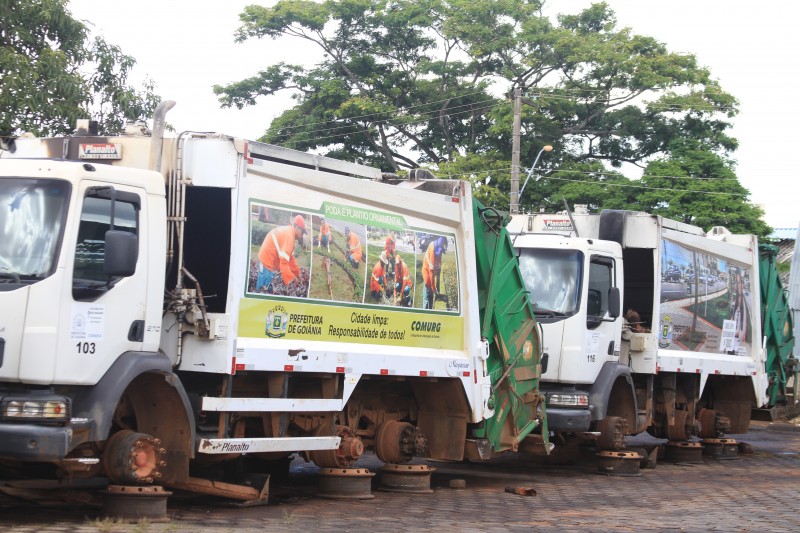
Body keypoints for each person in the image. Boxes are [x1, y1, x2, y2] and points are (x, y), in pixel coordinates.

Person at [256, 214, 306, 292]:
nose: (302, 235)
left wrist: (297, 273)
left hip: (268, 258)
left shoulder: (290, 233)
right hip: (266, 260)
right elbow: (284, 264)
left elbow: (290, 259)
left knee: (267, 286)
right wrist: (292, 280)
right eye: (302, 232)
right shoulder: (289, 236)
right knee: (263, 289)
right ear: (297, 228)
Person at [422, 236, 447, 309]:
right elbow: (431, 273)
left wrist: (437, 285)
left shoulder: (439, 249)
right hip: (427, 271)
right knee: (428, 293)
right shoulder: (432, 249)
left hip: (431, 270)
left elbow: (438, 268)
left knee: (430, 293)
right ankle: (425, 310)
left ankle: (430, 307)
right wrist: (433, 288)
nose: (439, 253)